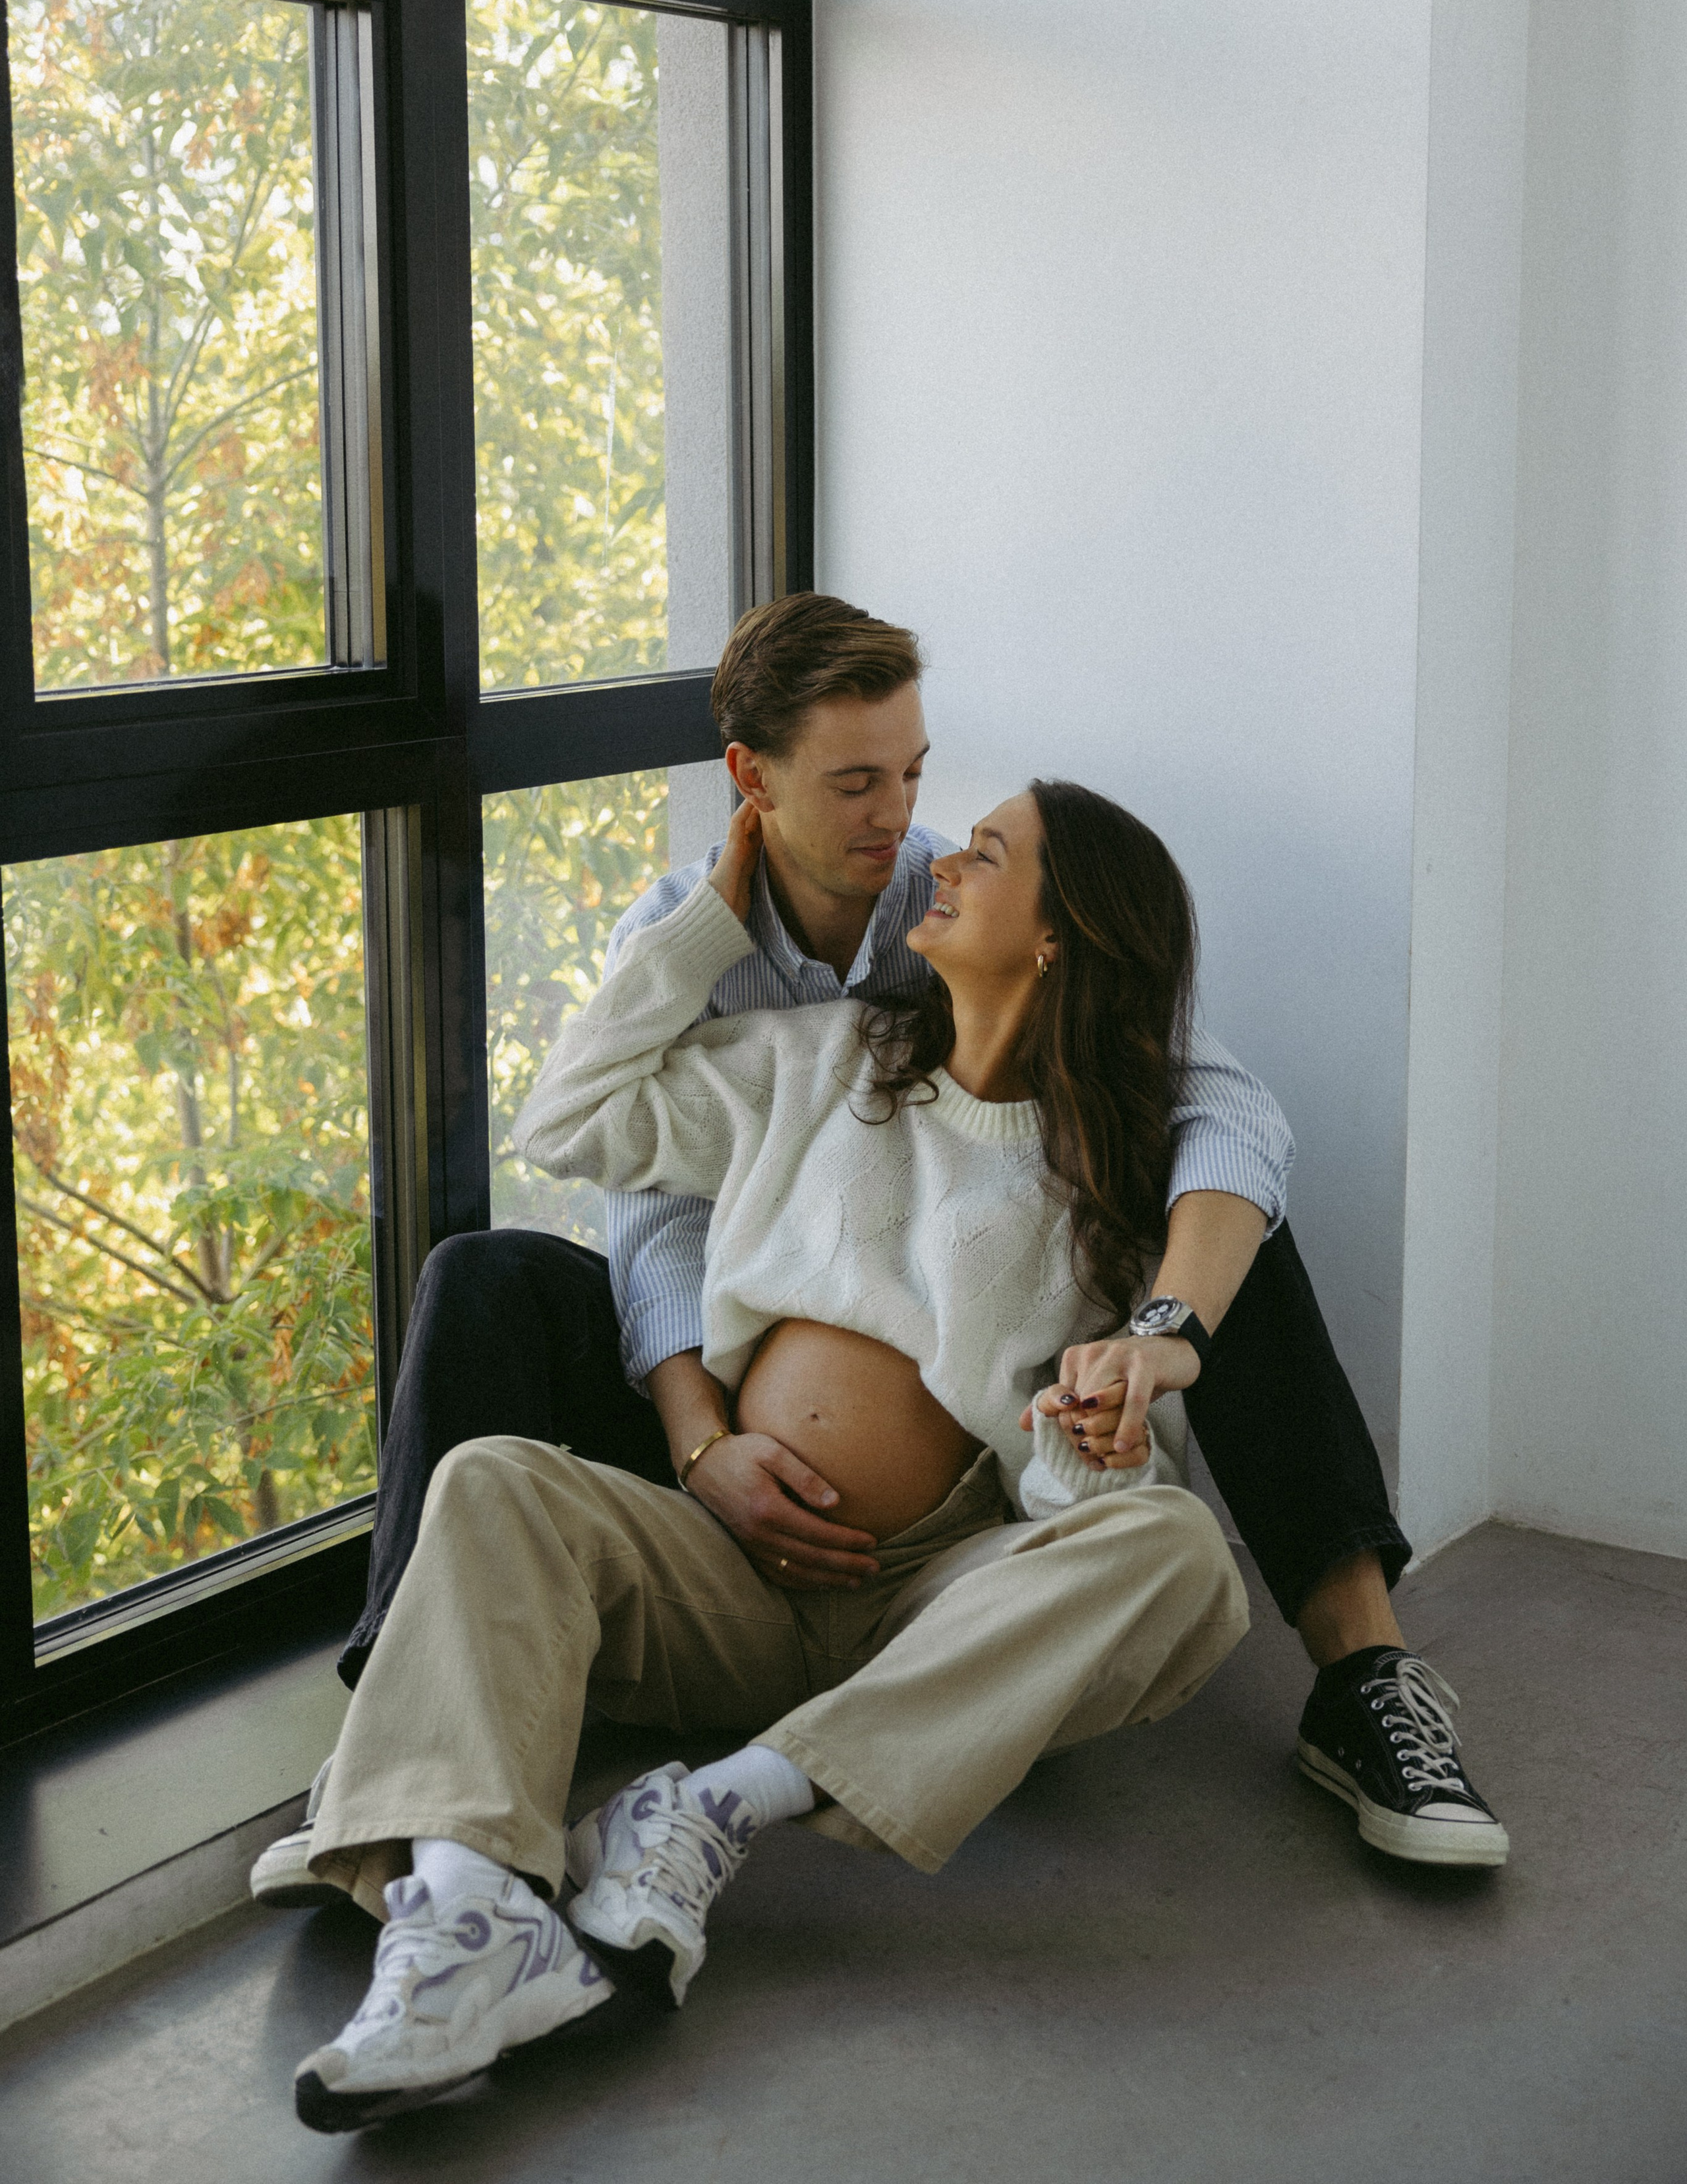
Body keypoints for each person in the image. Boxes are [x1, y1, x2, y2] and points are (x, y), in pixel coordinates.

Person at [252, 594, 1507, 1916]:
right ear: (751, 778)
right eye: (853, 782)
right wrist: (699, 1442)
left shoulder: (945, 901)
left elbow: (1218, 1105)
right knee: (483, 1275)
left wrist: (1160, 1333)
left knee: (1225, 1221)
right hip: (709, 1405)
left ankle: (1363, 1670)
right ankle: (396, 1747)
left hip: (940, 1520)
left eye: (908, 774)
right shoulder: (688, 944)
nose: (894, 819)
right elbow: (637, 1190)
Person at [294, 777, 1255, 2131]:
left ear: (1055, 937)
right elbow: (566, 1123)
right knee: (493, 1479)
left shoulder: (1101, 1182)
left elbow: (1055, 1508)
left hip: (926, 1604)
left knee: (1173, 1549)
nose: (938, 862)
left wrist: (1084, 1438)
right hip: (728, 1570)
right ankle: (462, 1916)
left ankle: (713, 1814)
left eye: (983, 853)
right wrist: (706, 920)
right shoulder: (822, 1056)